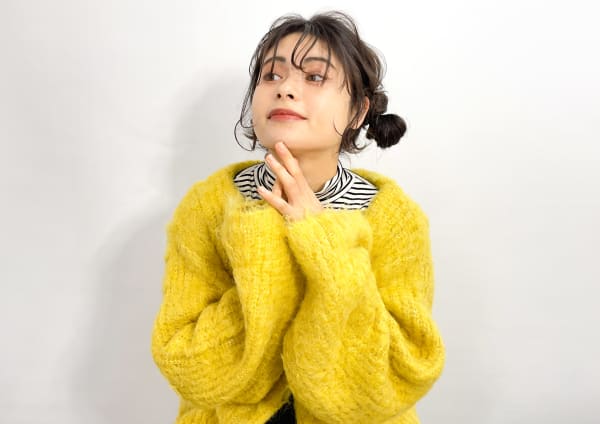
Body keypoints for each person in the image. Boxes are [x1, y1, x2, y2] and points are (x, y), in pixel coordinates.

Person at [151, 11, 445, 424]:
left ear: (358, 111)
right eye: (271, 75)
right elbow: (189, 367)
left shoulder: (393, 218)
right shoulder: (210, 206)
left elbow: (397, 376)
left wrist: (322, 238)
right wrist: (266, 244)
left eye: (315, 77)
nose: (285, 88)